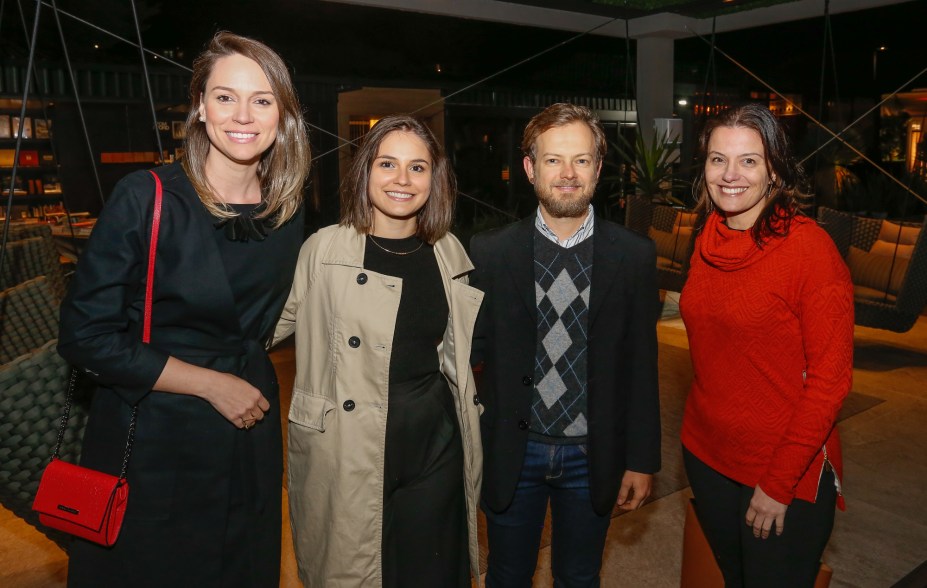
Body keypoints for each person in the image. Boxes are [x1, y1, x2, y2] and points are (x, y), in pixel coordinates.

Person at [57, 32, 310, 587]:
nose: (243, 115)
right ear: (200, 106)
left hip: (247, 435)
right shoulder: (146, 197)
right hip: (154, 435)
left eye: (262, 100)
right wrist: (210, 384)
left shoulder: (286, 210)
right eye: (225, 97)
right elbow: (85, 336)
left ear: (282, 114)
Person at [274, 114, 484, 587]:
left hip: (432, 437)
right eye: (387, 163)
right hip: (346, 441)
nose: (402, 180)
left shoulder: (448, 250)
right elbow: (265, 330)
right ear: (364, 169)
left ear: (436, 178)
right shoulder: (323, 250)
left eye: (418, 167)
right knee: (354, 573)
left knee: (430, 571)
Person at [469, 102, 662, 587]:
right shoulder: (490, 252)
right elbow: (469, 353)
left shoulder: (634, 255)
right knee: (507, 575)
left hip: (591, 454)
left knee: (579, 577)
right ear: (531, 169)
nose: (568, 173)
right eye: (554, 160)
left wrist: (641, 459)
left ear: (598, 168)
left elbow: (641, 363)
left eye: (581, 160)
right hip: (515, 450)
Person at [680, 103, 854, 587]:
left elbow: (830, 383)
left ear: (775, 169)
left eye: (748, 160)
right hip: (706, 453)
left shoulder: (809, 251)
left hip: (782, 468)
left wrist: (779, 483)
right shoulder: (706, 236)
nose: (730, 175)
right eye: (718, 159)